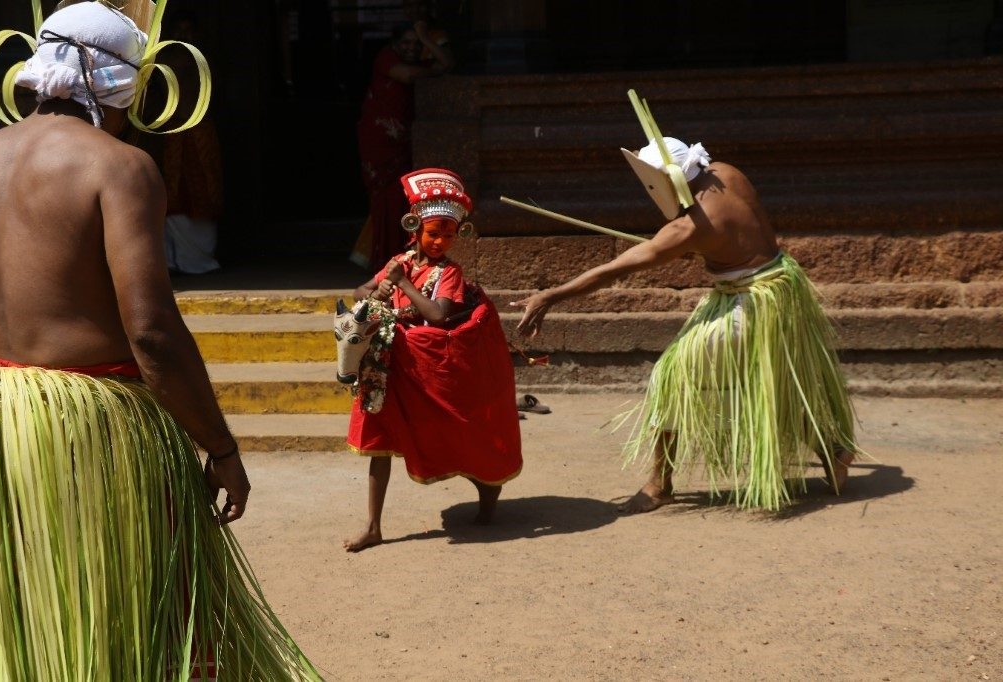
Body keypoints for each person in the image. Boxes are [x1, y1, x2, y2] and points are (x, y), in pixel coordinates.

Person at [0, 3, 319, 678]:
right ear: (120, 85)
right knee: (132, 620)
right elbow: (153, 334)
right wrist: (220, 446)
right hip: (86, 427)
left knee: (27, 619)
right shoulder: (119, 167)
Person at [513, 132, 861, 513]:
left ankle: (659, 484)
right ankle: (833, 450)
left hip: (751, 302)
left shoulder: (688, 228)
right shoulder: (726, 172)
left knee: (671, 377)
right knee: (773, 377)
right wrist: (703, 245)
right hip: (783, 287)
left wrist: (549, 296)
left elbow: (613, 270)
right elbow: (730, 232)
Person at [343, 168, 522, 552]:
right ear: (415, 230)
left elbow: (439, 316)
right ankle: (373, 526)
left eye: (449, 234)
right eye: (433, 233)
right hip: (390, 364)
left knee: (462, 431)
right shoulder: (399, 260)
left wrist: (403, 284)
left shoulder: (449, 274)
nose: (441, 241)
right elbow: (361, 290)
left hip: (430, 370)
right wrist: (378, 289)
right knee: (379, 437)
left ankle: (488, 499)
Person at [349, 20, 454, 271]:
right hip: (379, 142)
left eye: (416, 44)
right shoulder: (386, 59)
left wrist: (426, 40)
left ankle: (400, 259)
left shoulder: (420, 63)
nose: (411, 48)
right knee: (383, 200)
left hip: (403, 143)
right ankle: (383, 261)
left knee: (402, 200)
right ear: (395, 45)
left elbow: (448, 64)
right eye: (406, 43)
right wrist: (431, 70)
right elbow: (406, 75)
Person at [160, 10, 224, 275]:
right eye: (178, 32)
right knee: (169, 196)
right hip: (169, 131)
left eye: (189, 31)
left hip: (199, 132)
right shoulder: (164, 60)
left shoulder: (203, 60)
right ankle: (173, 262)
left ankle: (199, 261)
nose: (184, 37)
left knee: (202, 193)